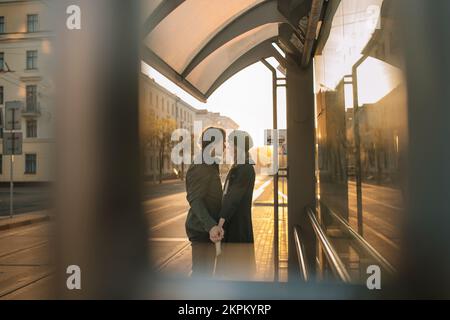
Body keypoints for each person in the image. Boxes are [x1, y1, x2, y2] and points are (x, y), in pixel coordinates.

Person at [185, 127, 226, 277]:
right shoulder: (201, 165)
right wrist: (211, 226)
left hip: (208, 230)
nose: (225, 146)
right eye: (223, 142)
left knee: (205, 275)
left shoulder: (210, 163)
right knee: (202, 276)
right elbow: (195, 199)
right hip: (202, 230)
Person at [218, 130, 256, 243]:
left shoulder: (244, 168)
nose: (228, 148)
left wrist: (220, 223)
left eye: (230, 145)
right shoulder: (239, 166)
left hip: (237, 229)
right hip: (235, 225)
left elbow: (232, 198)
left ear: (237, 147)